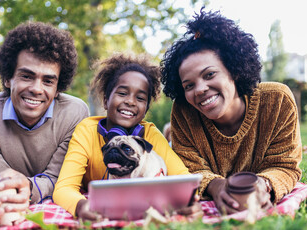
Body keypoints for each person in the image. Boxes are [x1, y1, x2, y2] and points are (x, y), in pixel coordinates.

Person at [160, 9, 302, 214]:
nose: (199, 89)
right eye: (188, 85)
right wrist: (215, 187)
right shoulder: (184, 112)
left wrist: (266, 184)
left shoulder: (277, 100)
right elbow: (188, 169)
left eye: (209, 74)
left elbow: (285, 164)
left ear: (234, 70)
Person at [0, 22, 89, 226]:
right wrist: (5, 192)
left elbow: (62, 177)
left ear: (58, 88)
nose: (37, 89)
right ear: (7, 78)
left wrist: (28, 189)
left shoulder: (75, 113)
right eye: (26, 76)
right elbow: (2, 187)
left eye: (48, 81)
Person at [53, 53, 201, 221]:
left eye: (140, 98)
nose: (130, 102)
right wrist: (80, 206)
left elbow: (184, 179)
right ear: (106, 100)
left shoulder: (150, 134)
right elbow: (63, 187)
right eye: (122, 93)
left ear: (145, 110)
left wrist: (190, 201)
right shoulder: (86, 130)